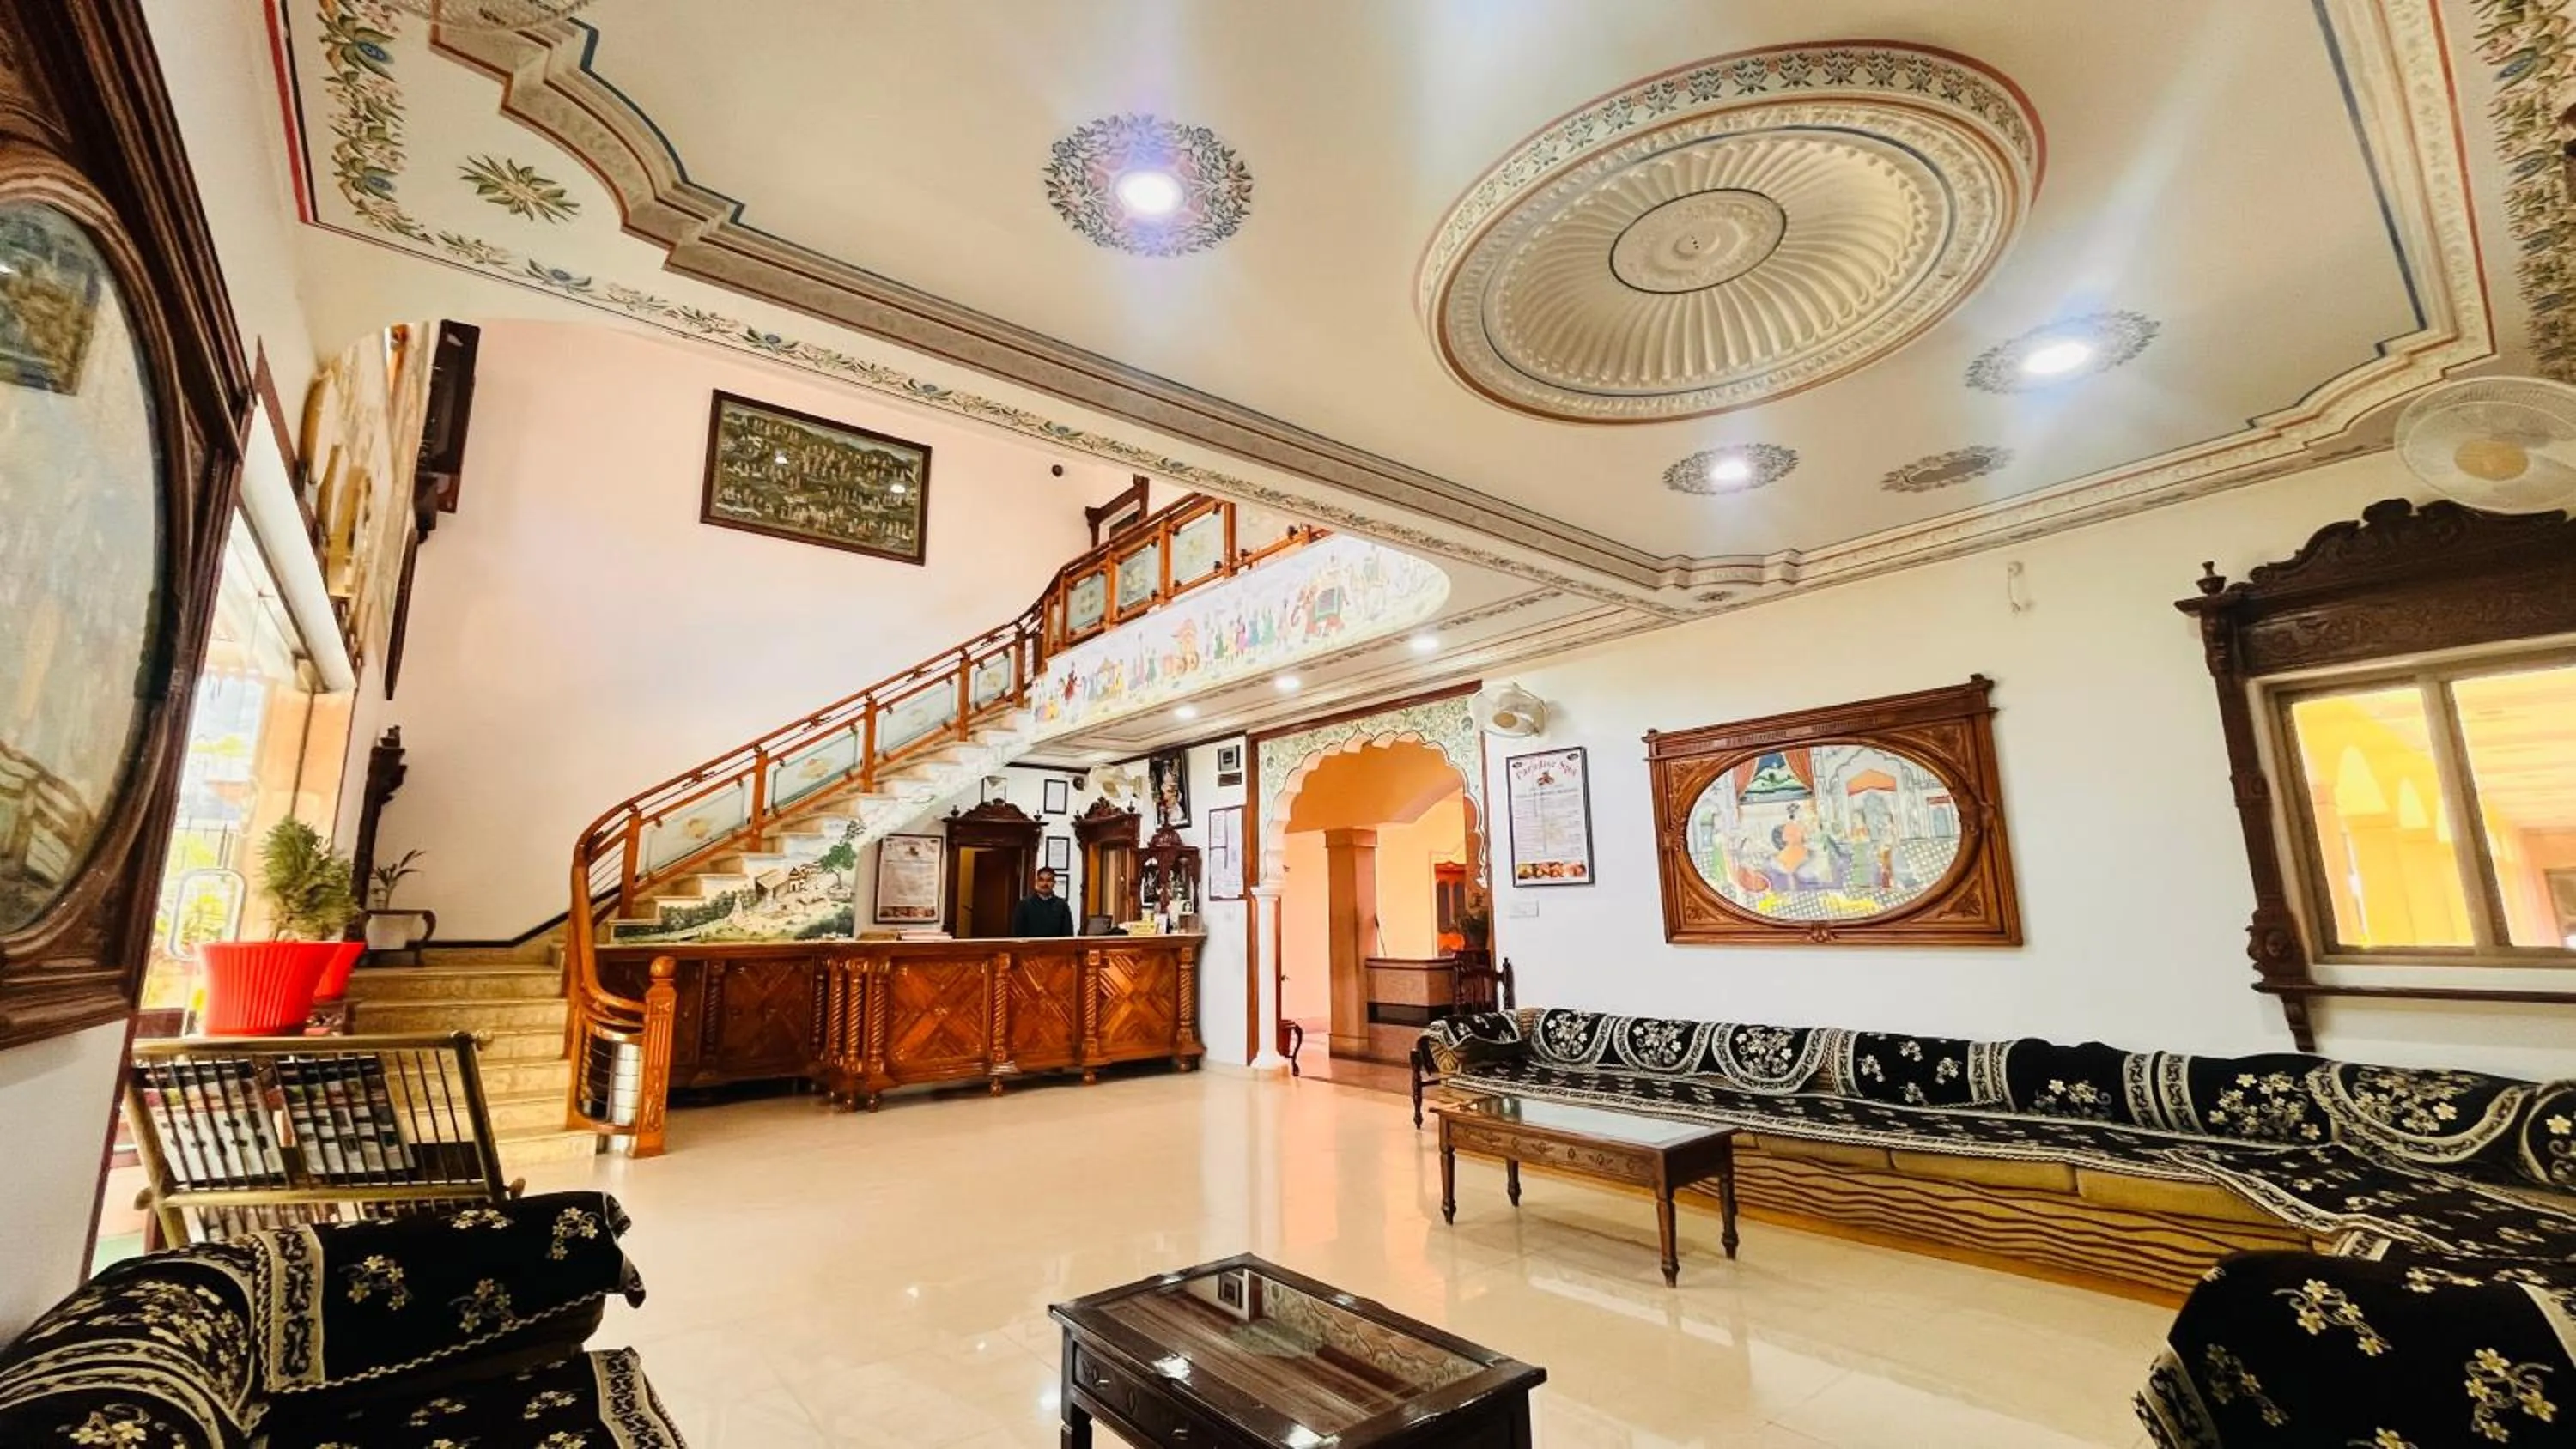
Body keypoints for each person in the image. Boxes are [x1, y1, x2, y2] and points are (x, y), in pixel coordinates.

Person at [1010, 866, 1075, 938]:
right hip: (1030, 948)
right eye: (1041, 880)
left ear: (1054, 883)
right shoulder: (1024, 905)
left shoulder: (1062, 905)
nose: (1045, 884)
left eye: (1049, 880)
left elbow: (1068, 935)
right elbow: (1017, 934)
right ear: (1037, 882)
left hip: (1055, 948)